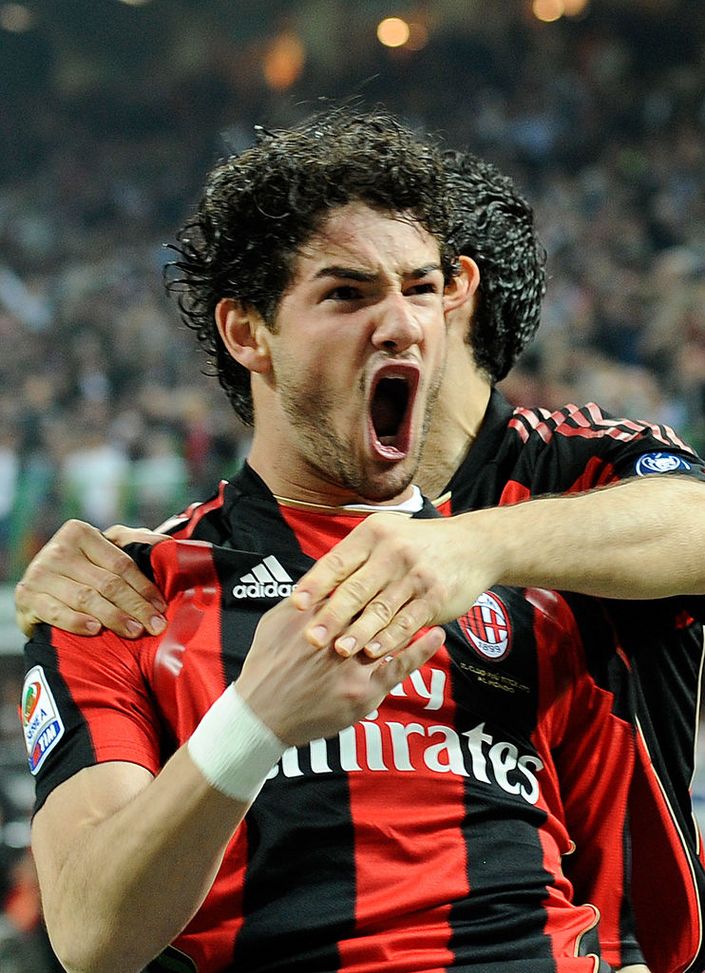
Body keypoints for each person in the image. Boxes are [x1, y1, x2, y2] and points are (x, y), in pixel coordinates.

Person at [19, 108, 622, 973]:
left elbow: (609, 910)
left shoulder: (525, 589)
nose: (402, 322)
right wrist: (255, 720)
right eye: (346, 293)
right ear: (246, 332)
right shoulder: (122, 599)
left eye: (420, 288)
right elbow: (89, 933)